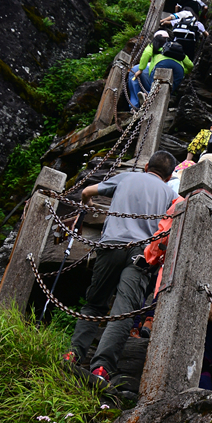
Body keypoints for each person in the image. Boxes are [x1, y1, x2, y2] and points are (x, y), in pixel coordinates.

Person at [63, 150, 176, 383]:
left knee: (94, 304)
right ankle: (102, 369)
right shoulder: (170, 194)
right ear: (169, 175)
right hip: (141, 254)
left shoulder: (127, 177)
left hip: (111, 246)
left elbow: (86, 191)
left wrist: (89, 204)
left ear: (146, 166)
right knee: (122, 313)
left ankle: (74, 354)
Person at [144, 152, 212, 385]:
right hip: (208, 288)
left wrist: (150, 257)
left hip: (171, 278)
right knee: (203, 346)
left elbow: (156, 246)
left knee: (163, 339)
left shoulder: (179, 203)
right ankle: (198, 390)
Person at [127, 30, 170, 110]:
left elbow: (146, 54)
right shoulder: (173, 46)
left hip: (152, 68)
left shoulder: (154, 44)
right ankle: (147, 95)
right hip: (169, 73)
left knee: (134, 71)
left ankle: (134, 105)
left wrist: (140, 69)